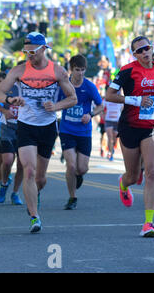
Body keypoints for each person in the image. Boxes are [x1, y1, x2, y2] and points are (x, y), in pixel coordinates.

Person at [0, 32, 77, 233]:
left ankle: (34, 193)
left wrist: (55, 106)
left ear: (43, 49)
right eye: (26, 51)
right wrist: (11, 100)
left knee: (40, 178)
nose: (29, 55)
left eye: (32, 51)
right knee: (28, 170)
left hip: (48, 127)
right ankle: (34, 217)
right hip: (26, 125)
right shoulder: (19, 70)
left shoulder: (57, 71)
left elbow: (72, 98)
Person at [106, 36, 154, 238]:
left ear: (152, 48)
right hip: (131, 126)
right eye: (140, 50)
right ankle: (124, 183)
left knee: (151, 173)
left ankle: (148, 223)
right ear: (134, 54)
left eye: (147, 48)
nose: (145, 53)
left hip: (153, 127)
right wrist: (136, 100)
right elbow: (109, 95)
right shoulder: (126, 70)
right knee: (133, 176)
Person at [59, 54, 103, 210]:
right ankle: (72, 197)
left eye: (83, 70)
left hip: (84, 132)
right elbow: (56, 102)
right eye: (77, 70)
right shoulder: (64, 85)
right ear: (71, 70)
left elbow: (100, 106)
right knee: (70, 166)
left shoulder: (89, 87)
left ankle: (78, 175)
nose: (81, 73)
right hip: (67, 130)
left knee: (82, 169)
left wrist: (90, 114)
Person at [0, 69, 24, 205]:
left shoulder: (30, 88)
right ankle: (4, 183)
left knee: (22, 164)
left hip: (24, 129)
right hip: (8, 128)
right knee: (7, 161)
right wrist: (4, 111)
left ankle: (15, 193)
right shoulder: (7, 86)